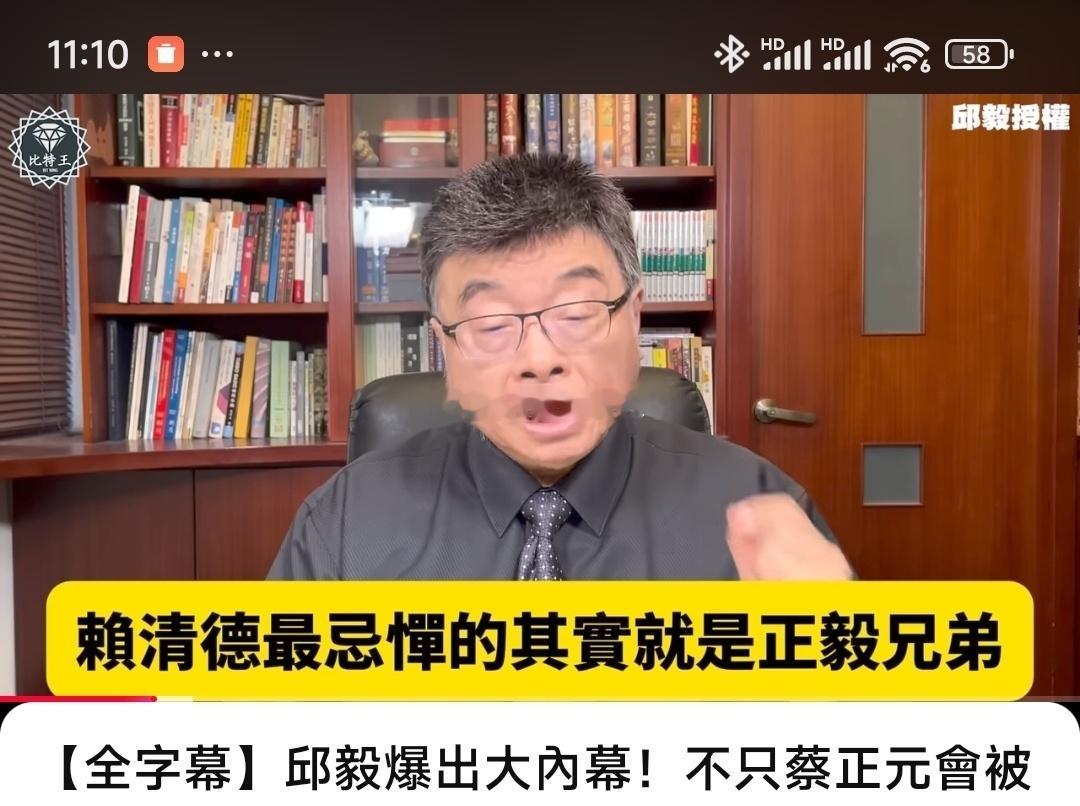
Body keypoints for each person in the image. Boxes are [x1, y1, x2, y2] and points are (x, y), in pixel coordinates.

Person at [267, 153, 853, 581]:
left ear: (633, 317)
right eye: (491, 324)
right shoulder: (344, 524)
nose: (539, 361)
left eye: (575, 314)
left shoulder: (757, 509)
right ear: (444, 346)